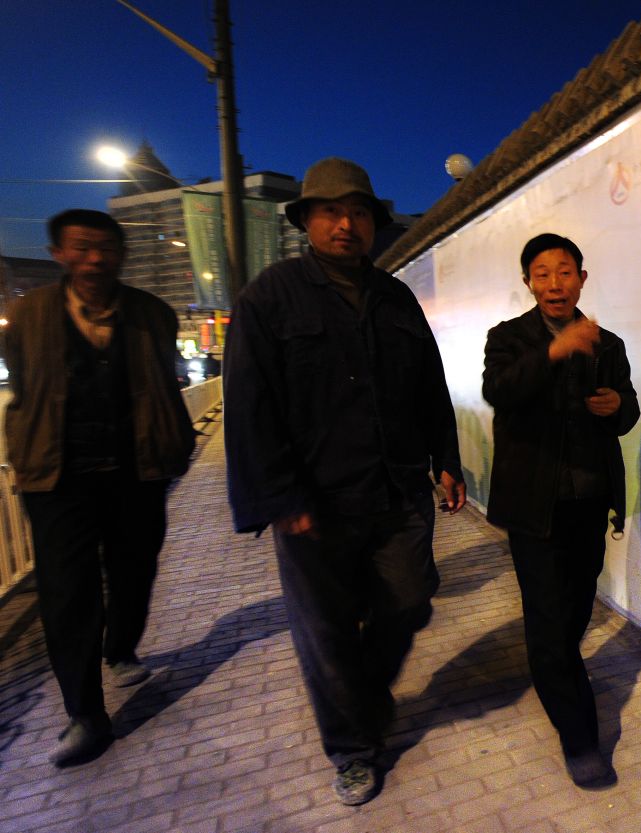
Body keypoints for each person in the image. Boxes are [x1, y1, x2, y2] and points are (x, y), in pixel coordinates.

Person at [223, 158, 466, 806]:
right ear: (306, 221)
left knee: (412, 597)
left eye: (358, 212)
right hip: (315, 504)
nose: (346, 224)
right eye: (331, 212)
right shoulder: (269, 298)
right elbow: (249, 406)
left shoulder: (395, 298)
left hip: (397, 489)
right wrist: (279, 497)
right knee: (326, 632)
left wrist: (447, 457)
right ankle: (353, 749)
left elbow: (429, 386)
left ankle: (363, 695)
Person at [4, 209, 195, 766]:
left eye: (105, 248)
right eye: (81, 247)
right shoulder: (30, 313)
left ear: (121, 254)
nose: (94, 258)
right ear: (58, 252)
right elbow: (24, 383)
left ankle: (121, 647)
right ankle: (84, 714)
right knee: (67, 593)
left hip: (137, 470)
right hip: (58, 478)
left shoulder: (151, 314)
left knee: (136, 569)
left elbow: (164, 381)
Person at [482, 233, 639, 789]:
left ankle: (557, 669)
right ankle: (581, 741)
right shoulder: (509, 338)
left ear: (582, 279)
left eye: (565, 271)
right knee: (549, 625)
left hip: (590, 500)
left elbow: (628, 409)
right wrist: (556, 349)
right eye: (543, 273)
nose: (555, 283)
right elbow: (499, 389)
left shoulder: (609, 343)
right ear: (528, 282)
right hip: (535, 507)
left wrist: (618, 404)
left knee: (571, 615)